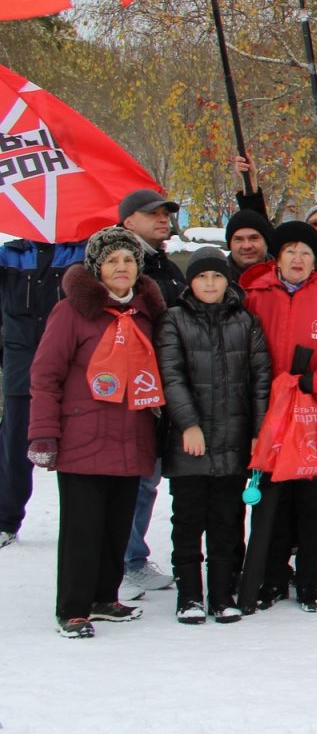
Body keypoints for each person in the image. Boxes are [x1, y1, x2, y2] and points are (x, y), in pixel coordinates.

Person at [30, 227, 167, 636]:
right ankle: (73, 607)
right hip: (82, 437)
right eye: (112, 261)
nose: (121, 268)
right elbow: (45, 375)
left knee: (116, 524)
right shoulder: (71, 312)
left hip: (132, 433)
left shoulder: (147, 313)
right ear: (96, 268)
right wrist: (43, 434)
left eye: (128, 260)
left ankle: (104, 597)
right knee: (82, 529)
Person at [238, 220, 317, 613]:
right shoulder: (255, 294)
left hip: (316, 417)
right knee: (273, 504)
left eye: (306, 252)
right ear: (278, 256)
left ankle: (309, 581)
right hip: (270, 418)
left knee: (314, 505)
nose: (298, 258)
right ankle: (273, 576)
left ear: (315, 259)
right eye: (291, 250)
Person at [157, 247, 272, 623]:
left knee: (227, 522)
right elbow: (170, 375)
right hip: (189, 442)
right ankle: (189, 594)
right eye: (203, 276)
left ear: (228, 280)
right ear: (191, 281)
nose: (210, 283)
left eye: (217, 276)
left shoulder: (246, 321)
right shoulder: (173, 320)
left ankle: (222, 594)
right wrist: (188, 423)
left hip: (234, 440)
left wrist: (257, 432)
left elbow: (260, 381)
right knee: (187, 522)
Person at [115, 188, 186, 597]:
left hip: (163, 384)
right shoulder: (124, 263)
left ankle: (130, 557)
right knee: (137, 478)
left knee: (148, 477)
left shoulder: (163, 263)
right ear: (129, 222)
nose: (163, 219)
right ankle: (127, 562)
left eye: (166, 213)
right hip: (134, 386)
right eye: (153, 214)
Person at [0, 231, 84, 547]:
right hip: (22, 363)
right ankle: (5, 519)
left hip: (71, 364)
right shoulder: (9, 255)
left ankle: (80, 522)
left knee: (78, 443)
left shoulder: (82, 251)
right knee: (14, 444)